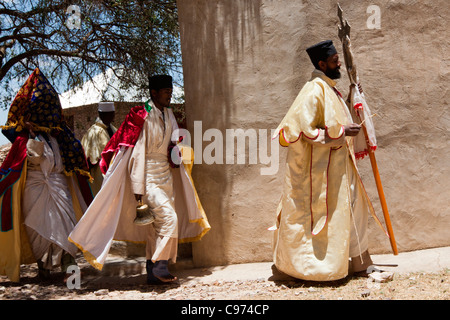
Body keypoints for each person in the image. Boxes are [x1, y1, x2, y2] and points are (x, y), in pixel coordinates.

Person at [69, 75, 210, 284]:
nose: (170, 95)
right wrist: (137, 186)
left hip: (167, 177)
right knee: (170, 219)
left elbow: (174, 141)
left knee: (156, 226)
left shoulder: (169, 114)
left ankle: (152, 272)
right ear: (154, 93)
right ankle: (161, 264)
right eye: (166, 92)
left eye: (171, 92)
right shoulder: (142, 115)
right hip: (148, 177)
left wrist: (175, 151)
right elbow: (137, 154)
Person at [271, 40, 386, 281]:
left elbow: (334, 119)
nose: (339, 63)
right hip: (321, 174)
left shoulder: (330, 89)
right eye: (334, 61)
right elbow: (303, 130)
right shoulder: (313, 89)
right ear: (322, 64)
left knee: (357, 211)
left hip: (341, 168)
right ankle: (306, 269)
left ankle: (361, 263)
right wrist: (342, 132)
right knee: (325, 218)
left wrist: (354, 101)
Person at [0, 68, 93, 282]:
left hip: (59, 185)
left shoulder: (61, 138)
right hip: (36, 188)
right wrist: (32, 135)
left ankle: (69, 266)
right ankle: (44, 266)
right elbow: (31, 160)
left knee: (67, 226)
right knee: (41, 231)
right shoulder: (24, 140)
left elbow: (73, 159)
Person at [81, 102, 117, 196]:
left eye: (112, 114)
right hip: (99, 174)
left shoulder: (112, 129)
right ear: (101, 115)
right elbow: (90, 157)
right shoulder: (94, 132)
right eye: (109, 114)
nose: (112, 116)